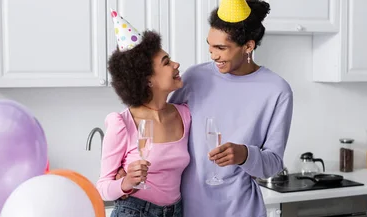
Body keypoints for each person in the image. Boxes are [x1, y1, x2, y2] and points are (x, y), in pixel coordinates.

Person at [168, 0, 294, 216]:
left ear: (248, 46)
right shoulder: (194, 77)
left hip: (241, 208)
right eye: (210, 45)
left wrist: (245, 154)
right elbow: (164, 129)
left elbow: (273, 163)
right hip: (190, 207)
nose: (213, 55)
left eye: (221, 48)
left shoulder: (277, 90)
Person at [96, 9, 189, 217]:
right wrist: (126, 182)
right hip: (135, 211)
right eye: (166, 62)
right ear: (148, 79)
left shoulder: (185, 115)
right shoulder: (122, 123)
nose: (176, 64)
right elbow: (102, 187)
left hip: (177, 211)